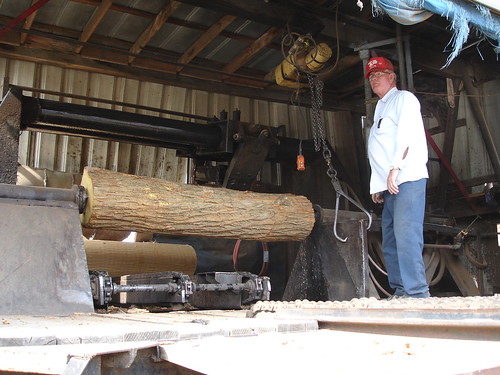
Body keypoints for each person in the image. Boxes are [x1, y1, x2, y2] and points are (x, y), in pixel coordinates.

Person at [365, 56, 430, 299]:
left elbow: (408, 134)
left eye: (379, 74)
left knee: (406, 236)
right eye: (371, 76)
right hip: (390, 185)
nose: (374, 79)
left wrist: (395, 168)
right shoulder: (380, 107)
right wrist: (377, 184)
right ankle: (401, 290)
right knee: (390, 239)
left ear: (392, 77)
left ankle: (417, 293)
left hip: (407, 178)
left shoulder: (404, 99)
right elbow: (378, 147)